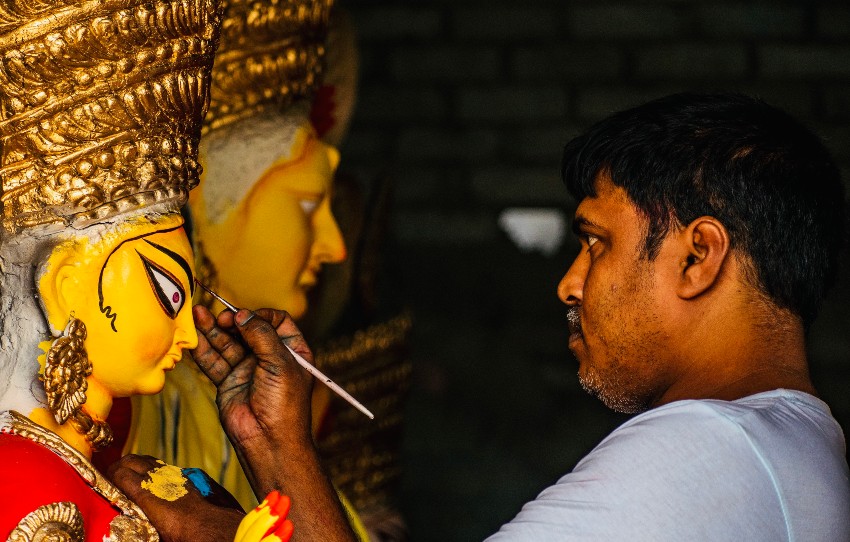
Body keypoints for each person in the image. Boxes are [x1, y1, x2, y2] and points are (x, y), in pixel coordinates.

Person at [110, 92, 850, 541]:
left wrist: (224, 536)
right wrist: (275, 443)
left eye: (596, 244)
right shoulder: (795, 445)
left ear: (698, 257)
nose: (568, 284)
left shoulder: (703, 452)